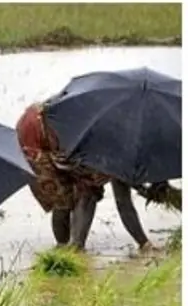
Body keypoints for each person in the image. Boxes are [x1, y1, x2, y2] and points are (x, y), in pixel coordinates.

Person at [15, 100, 156, 252]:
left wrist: (144, 243)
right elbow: (123, 202)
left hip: (54, 130)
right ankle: (68, 248)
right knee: (69, 196)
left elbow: (124, 201)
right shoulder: (109, 146)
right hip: (35, 135)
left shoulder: (121, 143)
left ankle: (71, 247)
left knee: (81, 192)